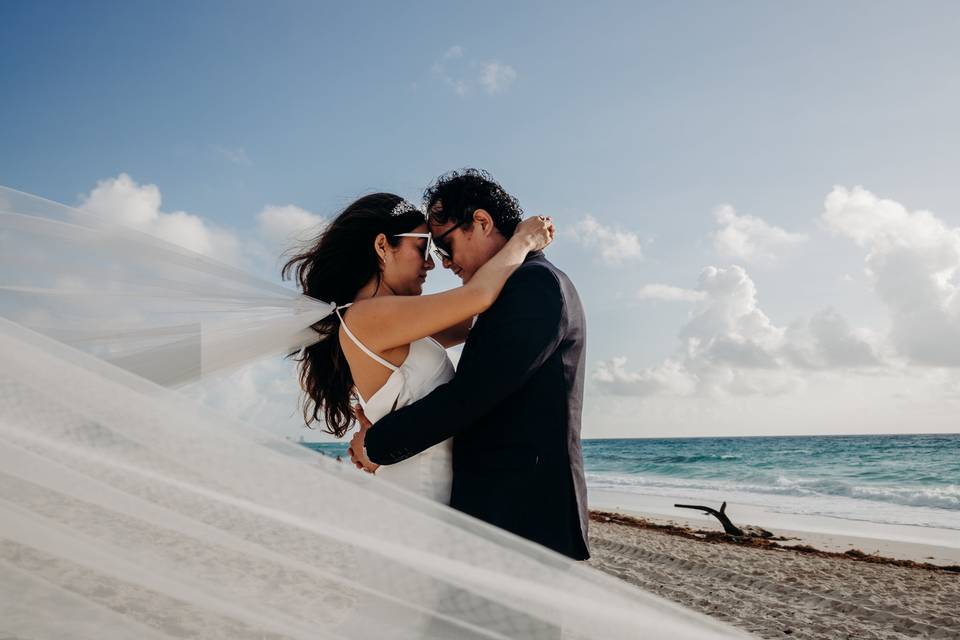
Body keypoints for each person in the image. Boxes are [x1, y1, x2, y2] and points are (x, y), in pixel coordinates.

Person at [349, 169, 590, 561]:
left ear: (480, 222)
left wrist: (376, 446)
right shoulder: (509, 289)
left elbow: (469, 398)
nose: (442, 263)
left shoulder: (535, 286)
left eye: (444, 246)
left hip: (523, 519)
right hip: (495, 517)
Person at [283, 190, 553, 503]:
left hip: (429, 489)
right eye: (422, 247)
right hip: (418, 495)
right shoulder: (366, 316)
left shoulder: (397, 322)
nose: (431, 264)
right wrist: (523, 240)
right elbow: (479, 297)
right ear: (383, 246)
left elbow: (482, 316)